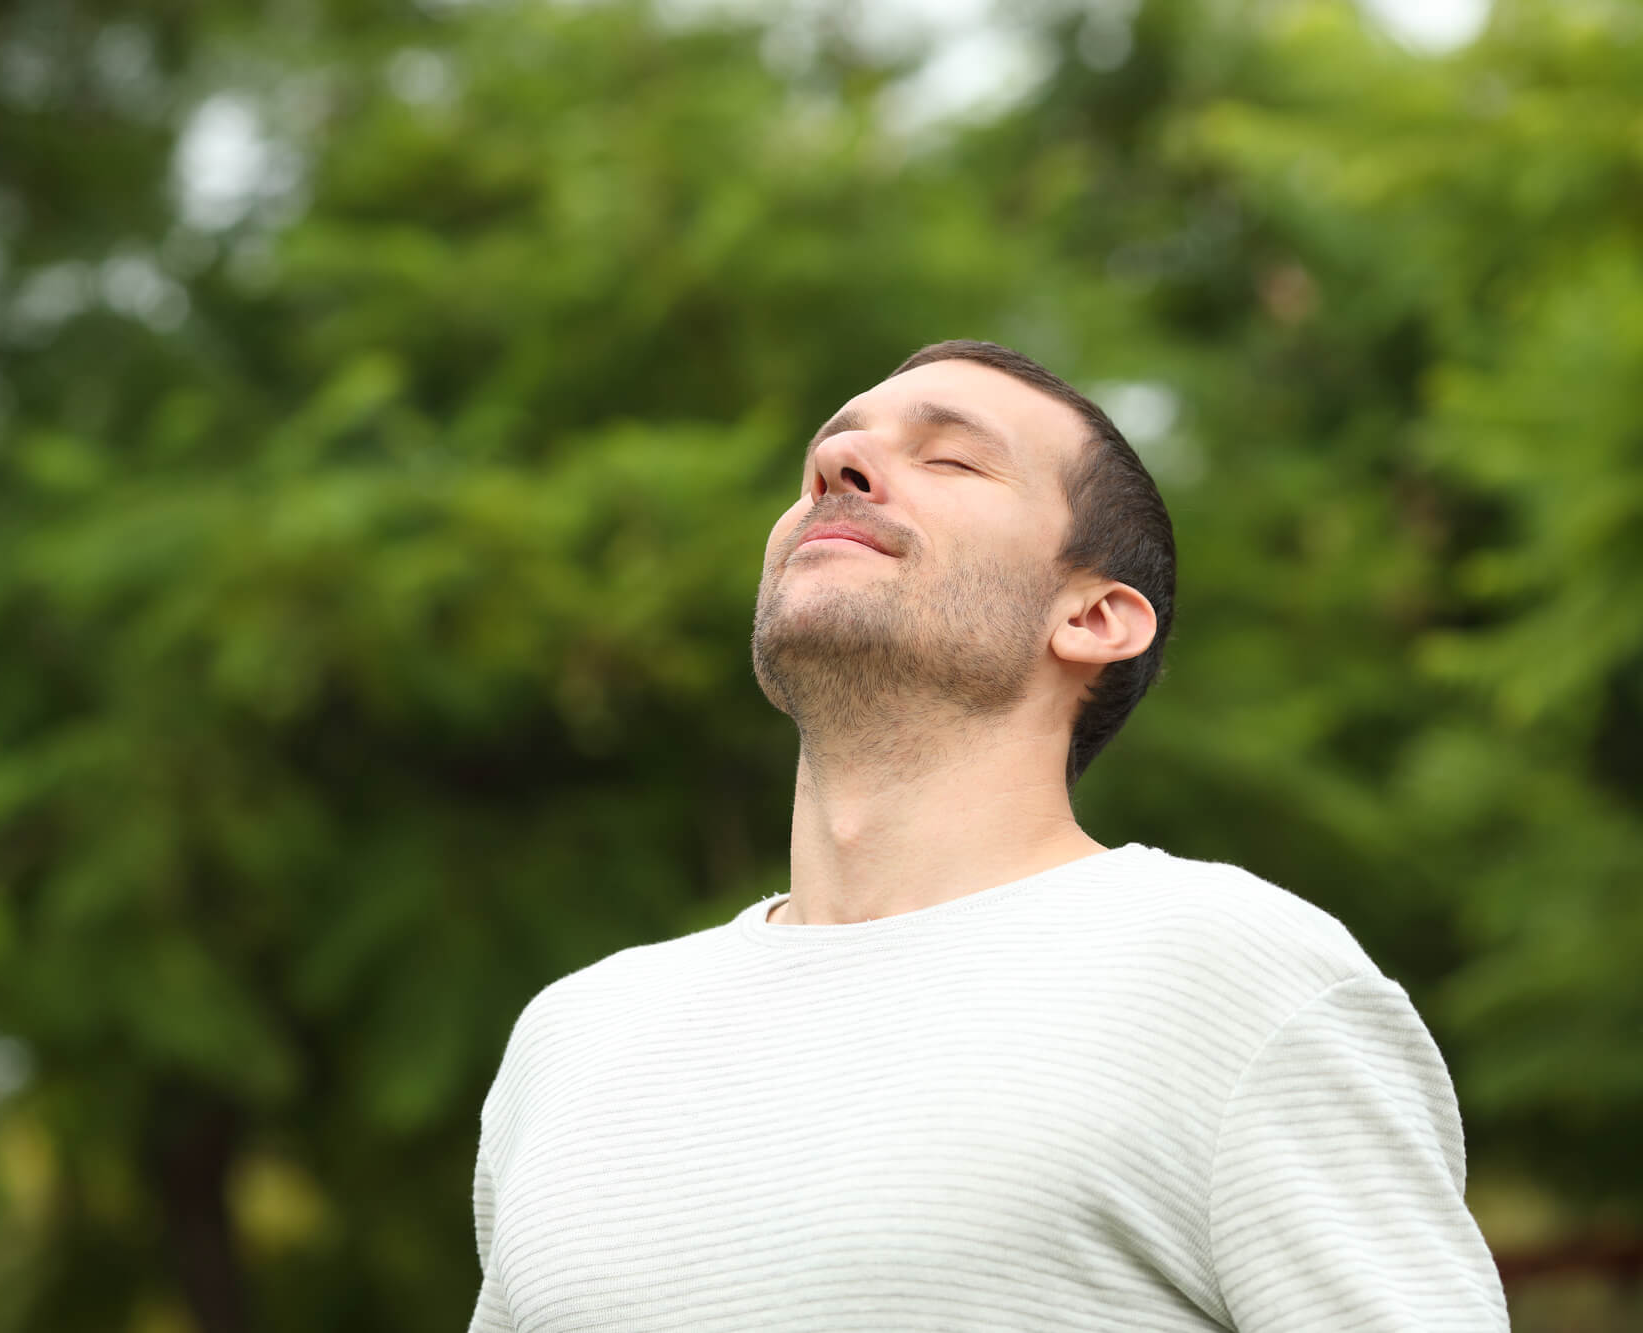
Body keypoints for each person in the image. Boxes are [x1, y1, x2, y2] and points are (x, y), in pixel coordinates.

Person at [464, 340, 1509, 1331]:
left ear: (1094, 618)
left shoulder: (1232, 975)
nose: (838, 464)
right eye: (829, 453)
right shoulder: (575, 1037)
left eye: (950, 456)